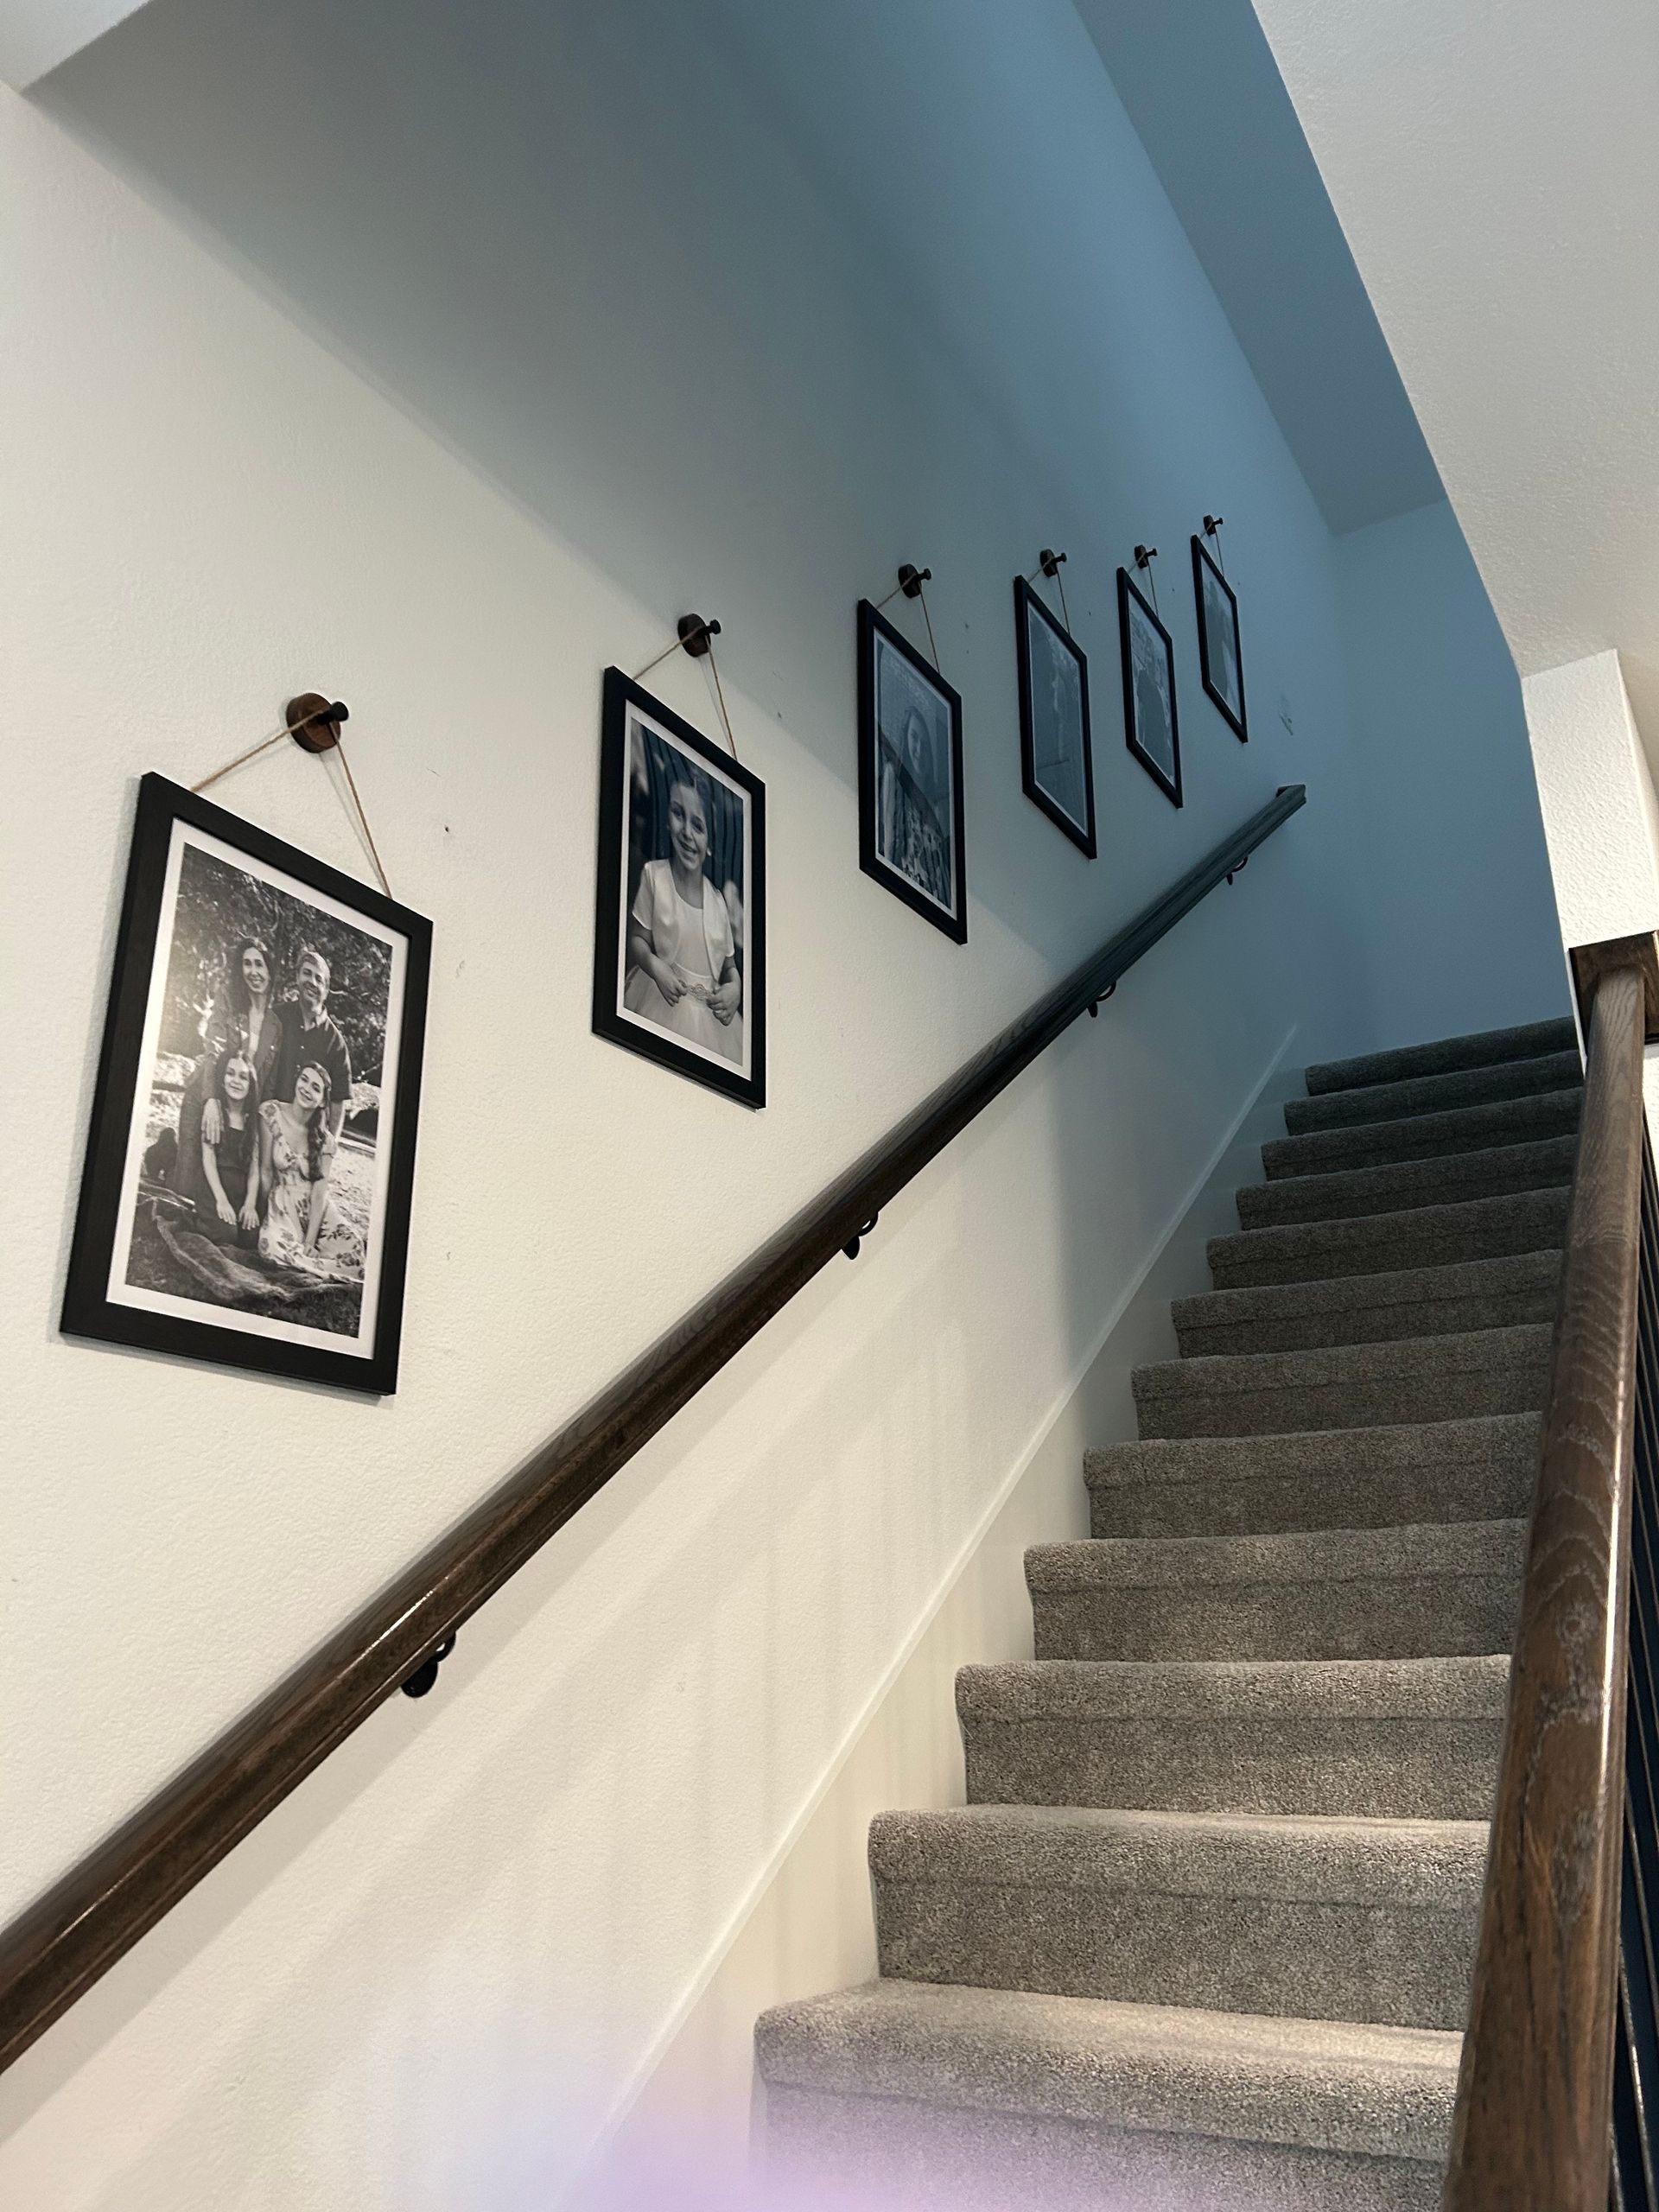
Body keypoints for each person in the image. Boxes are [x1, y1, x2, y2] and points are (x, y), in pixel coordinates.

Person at [623, 768, 743, 1064]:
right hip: (660, 999)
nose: (687, 833)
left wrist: (735, 990)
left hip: (709, 1021)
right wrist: (655, 967)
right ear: (667, 819)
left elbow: (730, 967)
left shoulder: (718, 902)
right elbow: (637, 939)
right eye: (678, 814)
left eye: (698, 826)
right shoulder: (655, 877)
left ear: (710, 843)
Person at [184, 937, 285, 1201]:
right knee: (185, 1189)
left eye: (260, 964)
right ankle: (165, 1151)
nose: (253, 971)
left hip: (240, 1112)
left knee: (232, 1194)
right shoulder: (228, 1000)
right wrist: (211, 1100)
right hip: (206, 1096)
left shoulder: (275, 1025)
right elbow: (213, 1050)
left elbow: (268, 1084)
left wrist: (257, 1127)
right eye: (247, 964)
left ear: (270, 971)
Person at [257, 1062, 364, 1277]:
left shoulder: (325, 1140)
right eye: (304, 1080)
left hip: (317, 1210)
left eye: (316, 1088)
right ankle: (314, 1266)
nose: (307, 1089)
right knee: (270, 1246)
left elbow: (319, 1193)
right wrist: (262, 1215)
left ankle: (305, 1261)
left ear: (323, 1100)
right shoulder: (271, 1112)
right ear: (296, 1081)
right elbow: (265, 1172)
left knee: (355, 1249)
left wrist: (309, 1241)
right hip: (282, 1202)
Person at [271, 946, 353, 1151]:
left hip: (305, 1143)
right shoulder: (276, 1018)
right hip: (268, 1127)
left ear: (326, 991)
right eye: (307, 973)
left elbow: (337, 1103)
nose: (312, 982)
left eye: (319, 979)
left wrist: (328, 1149)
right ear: (297, 977)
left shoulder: (337, 1043)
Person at [877, 702, 950, 907]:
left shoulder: (938, 805)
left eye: (925, 744)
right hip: (906, 885)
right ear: (906, 740)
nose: (919, 749)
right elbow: (888, 839)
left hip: (934, 897)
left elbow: (944, 870)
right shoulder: (894, 776)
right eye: (914, 738)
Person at [194, 1052, 262, 1246]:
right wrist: (221, 1200)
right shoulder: (215, 1114)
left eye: (243, 1077)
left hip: (239, 1192)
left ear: (251, 1085)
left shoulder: (252, 1121)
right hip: (214, 1187)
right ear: (222, 1080)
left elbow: (254, 1170)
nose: (236, 1081)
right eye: (230, 1073)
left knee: (251, 1237)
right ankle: (202, 1220)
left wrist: (250, 1205)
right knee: (228, 1236)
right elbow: (209, 1159)